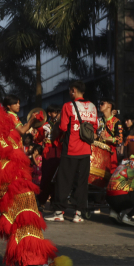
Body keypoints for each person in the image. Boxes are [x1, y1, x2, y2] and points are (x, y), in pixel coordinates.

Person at [46, 80, 98, 223]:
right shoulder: (93, 107)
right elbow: (95, 127)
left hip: (71, 149)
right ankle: (78, 214)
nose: (69, 93)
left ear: (73, 90)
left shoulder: (68, 106)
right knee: (81, 182)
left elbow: (63, 127)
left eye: (70, 91)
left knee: (64, 181)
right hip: (86, 150)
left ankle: (59, 212)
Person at [38, 105, 62, 206]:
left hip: (59, 153)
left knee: (59, 180)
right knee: (46, 178)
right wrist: (42, 141)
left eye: (58, 112)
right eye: (54, 112)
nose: (56, 115)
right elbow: (38, 139)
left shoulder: (62, 125)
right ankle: (41, 201)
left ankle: (55, 203)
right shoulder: (44, 125)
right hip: (48, 154)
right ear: (49, 114)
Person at [97, 99, 123, 173]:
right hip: (98, 153)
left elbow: (120, 140)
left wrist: (105, 138)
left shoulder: (117, 121)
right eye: (100, 104)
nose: (100, 105)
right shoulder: (98, 120)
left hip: (111, 153)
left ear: (109, 105)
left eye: (102, 103)